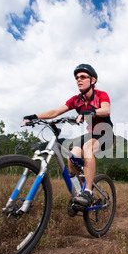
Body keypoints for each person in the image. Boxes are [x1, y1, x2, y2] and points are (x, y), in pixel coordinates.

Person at [23, 64, 113, 208]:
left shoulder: (101, 95)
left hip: (105, 132)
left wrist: (91, 111)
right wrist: (35, 116)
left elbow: (106, 110)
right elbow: (55, 112)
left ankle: (88, 192)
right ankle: (79, 193)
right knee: (72, 155)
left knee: (87, 148)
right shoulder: (76, 100)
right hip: (91, 134)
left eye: (83, 77)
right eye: (77, 77)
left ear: (93, 80)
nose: (79, 80)